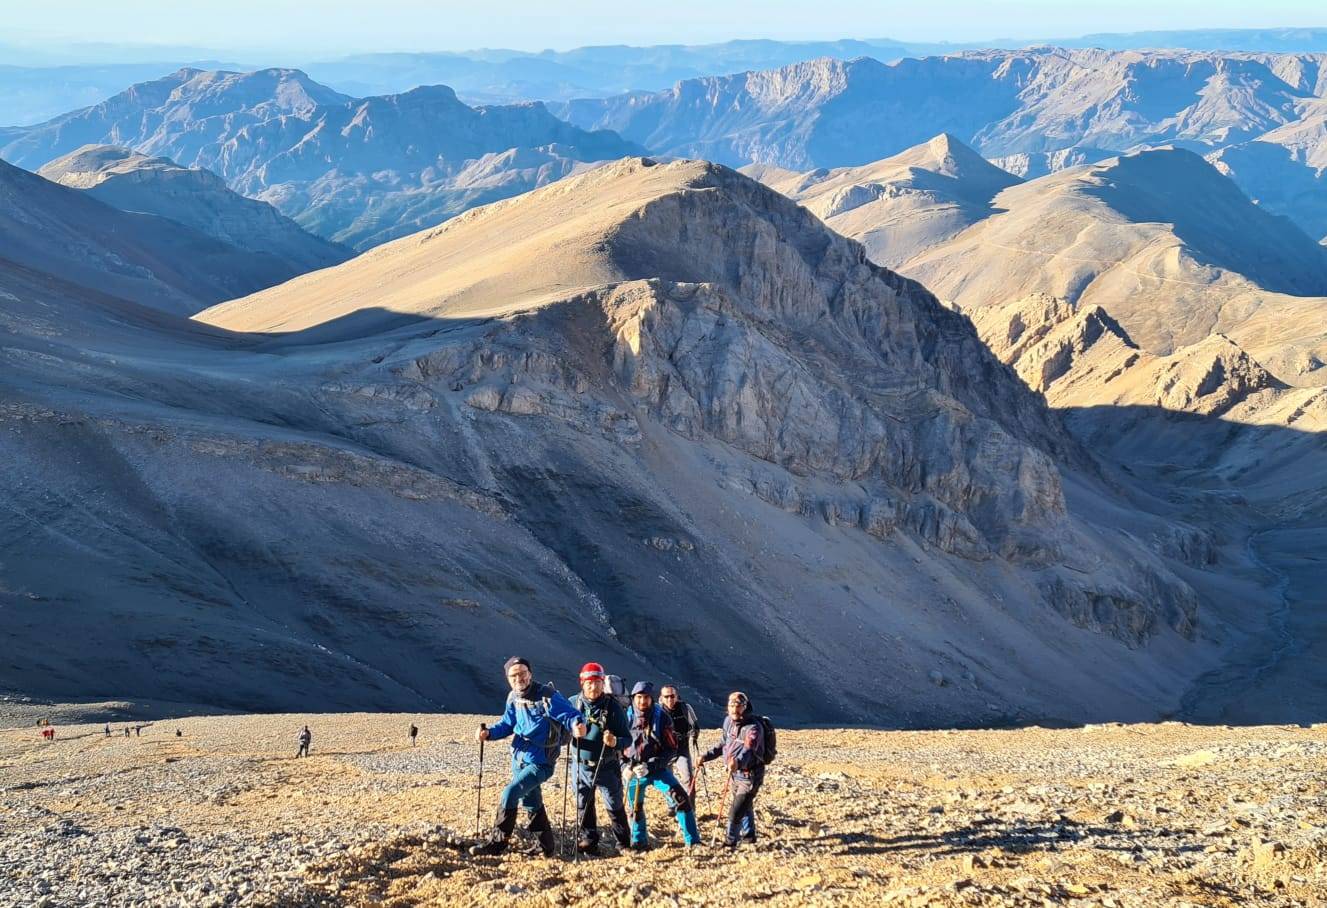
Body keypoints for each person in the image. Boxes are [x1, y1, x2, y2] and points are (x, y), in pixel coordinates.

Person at [471, 656, 587, 857]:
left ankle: (497, 844)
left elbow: (570, 714)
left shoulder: (547, 696)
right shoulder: (513, 697)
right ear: (508, 678)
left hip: (541, 762)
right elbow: (507, 724)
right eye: (514, 675)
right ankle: (545, 846)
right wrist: (489, 733)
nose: (519, 678)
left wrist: (578, 725)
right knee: (531, 801)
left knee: (510, 793)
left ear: (530, 674)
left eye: (523, 673)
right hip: (519, 758)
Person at [623, 682, 699, 850]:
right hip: (634, 770)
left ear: (651, 699)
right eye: (639, 697)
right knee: (635, 808)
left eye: (646, 698)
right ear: (633, 698)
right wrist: (625, 767)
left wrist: (652, 765)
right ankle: (638, 843)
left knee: (681, 799)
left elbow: (672, 749)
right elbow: (618, 747)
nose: (642, 701)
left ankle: (693, 842)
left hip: (657, 769)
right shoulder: (625, 717)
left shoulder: (662, 717)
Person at [570, 662, 632, 855]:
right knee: (583, 803)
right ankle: (589, 840)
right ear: (582, 683)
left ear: (602, 683)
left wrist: (615, 742)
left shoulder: (613, 707)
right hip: (579, 765)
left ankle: (623, 842)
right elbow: (559, 729)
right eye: (589, 682)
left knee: (613, 804)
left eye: (597, 682)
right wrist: (571, 731)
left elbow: (627, 738)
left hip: (606, 765)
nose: (593, 687)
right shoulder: (573, 703)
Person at [699, 691, 766, 847]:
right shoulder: (728, 722)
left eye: (738, 706)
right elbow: (723, 744)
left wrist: (737, 762)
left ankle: (730, 842)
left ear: (745, 707)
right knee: (744, 805)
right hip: (735, 774)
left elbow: (749, 750)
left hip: (750, 775)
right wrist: (706, 756)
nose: (734, 710)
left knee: (736, 809)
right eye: (731, 706)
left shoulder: (753, 728)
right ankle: (749, 837)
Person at [659, 685, 701, 795]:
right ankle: (672, 806)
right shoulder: (657, 712)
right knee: (667, 780)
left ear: (677, 696)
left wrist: (694, 734)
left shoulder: (685, 708)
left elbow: (695, 726)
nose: (669, 699)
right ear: (661, 697)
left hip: (682, 748)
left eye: (672, 696)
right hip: (664, 750)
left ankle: (691, 809)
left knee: (688, 779)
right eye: (666, 696)